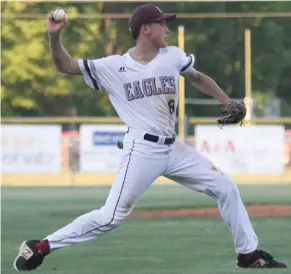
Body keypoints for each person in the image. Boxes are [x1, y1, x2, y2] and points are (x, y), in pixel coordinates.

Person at [14, 4, 287, 271]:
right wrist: (54, 35)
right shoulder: (113, 67)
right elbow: (66, 65)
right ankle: (40, 247)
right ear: (146, 29)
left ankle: (248, 255)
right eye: (162, 23)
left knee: (226, 187)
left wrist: (226, 101)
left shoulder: (172, 56)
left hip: (173, 149)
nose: (167, 29)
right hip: (142, 150)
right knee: (111, 216)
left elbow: (197, 77)